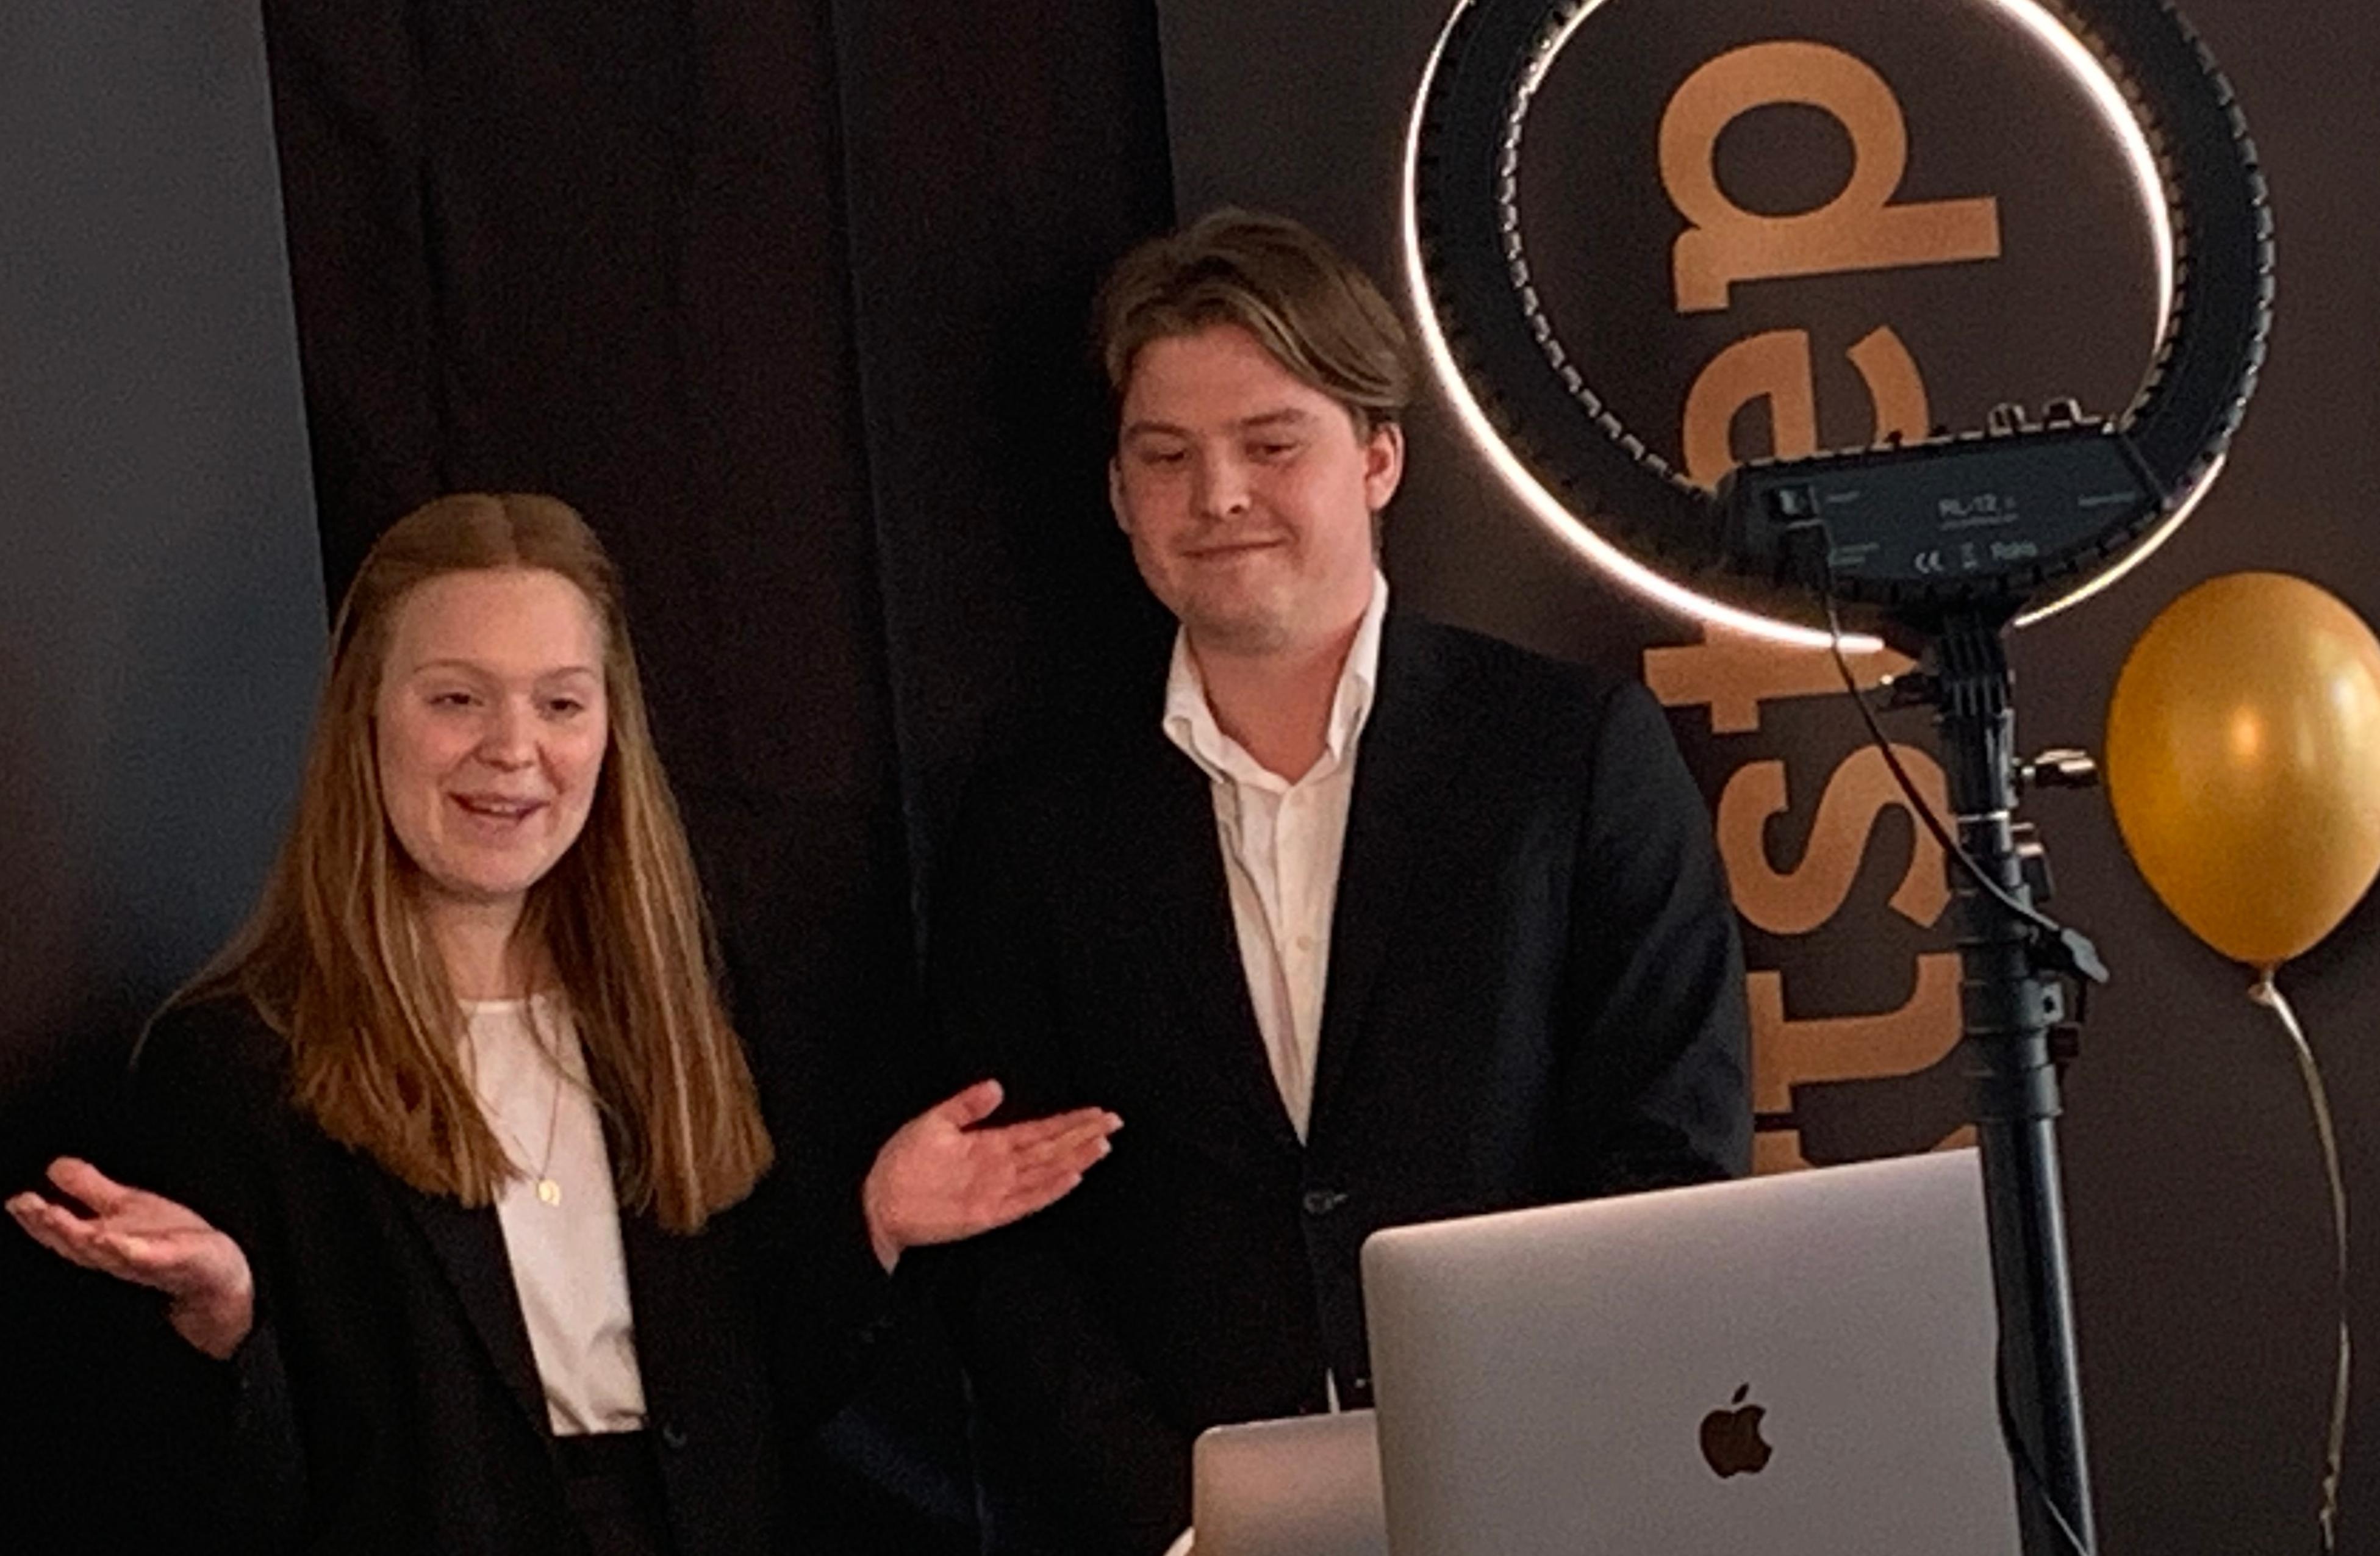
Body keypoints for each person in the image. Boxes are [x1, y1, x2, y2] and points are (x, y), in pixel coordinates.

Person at [7, 492, 1118, 1555]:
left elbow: (759, 1406)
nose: (513, 747)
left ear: (609, 728)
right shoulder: (240, 1060)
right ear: (365, 716)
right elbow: (218, 1501)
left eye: (559, 701)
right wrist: (224, 1326)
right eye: (456, 698)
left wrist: (871, 1228)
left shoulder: (691, 1008)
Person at [935, 210, 1752, 1552]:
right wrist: (1175, 1519)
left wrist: (1547, 1460)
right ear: (1116, 494)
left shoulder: (1571, 755)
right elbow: (1008, 1235)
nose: (1218, 498)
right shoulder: (1031, 818)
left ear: (1377, 458)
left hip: (1556, 1499)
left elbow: (1672, 1146)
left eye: (1270, 444)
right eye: (1167, 456)